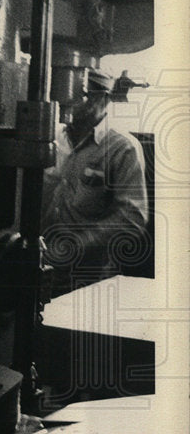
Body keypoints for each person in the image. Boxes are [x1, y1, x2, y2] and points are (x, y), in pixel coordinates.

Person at [41, 69, 149, 295]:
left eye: (82, 95)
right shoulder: (53, 136)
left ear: (104, 97)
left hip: (88, 276)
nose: (67, 102)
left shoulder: (122, 147)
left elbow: (132, 217)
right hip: (41, 264)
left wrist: (74, 246)